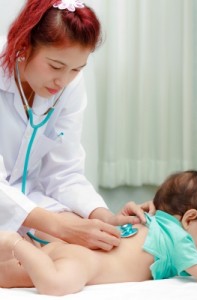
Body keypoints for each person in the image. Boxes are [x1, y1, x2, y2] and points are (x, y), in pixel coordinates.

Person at [0, 0, 152, 251]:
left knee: (94, 244)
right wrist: (61, 227)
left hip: (30, 201)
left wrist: (102, 215)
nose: (64, 80)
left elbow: (64, 172)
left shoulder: (68, 84)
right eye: (55, 66)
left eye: (76, 69)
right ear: (24, 45)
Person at [0, 170, 197, 295]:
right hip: (85, 262)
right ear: (189, 218)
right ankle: (14, 243)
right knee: (55, 284)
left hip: (72, 250)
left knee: (11, 278)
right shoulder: (179, 239)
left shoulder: (149, 220)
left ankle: (16, 253)